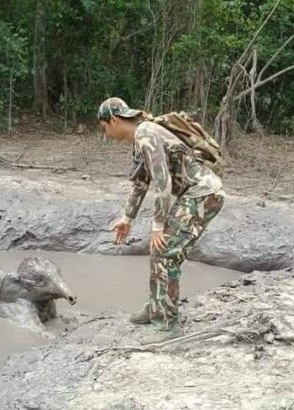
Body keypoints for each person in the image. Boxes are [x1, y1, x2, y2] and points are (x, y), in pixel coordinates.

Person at [98, 97, 225, 344]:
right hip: (196, 195)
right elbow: (140, 182)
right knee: (161, 251)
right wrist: (127, 217)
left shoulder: (146, 133)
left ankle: (167, 324)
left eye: (104, 127)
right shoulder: (141, 137)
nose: (105, 133)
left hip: (203, 194)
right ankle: (157, 307)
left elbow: (162, 181)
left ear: (113, 120)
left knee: (165, 252)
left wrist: (158, 225)